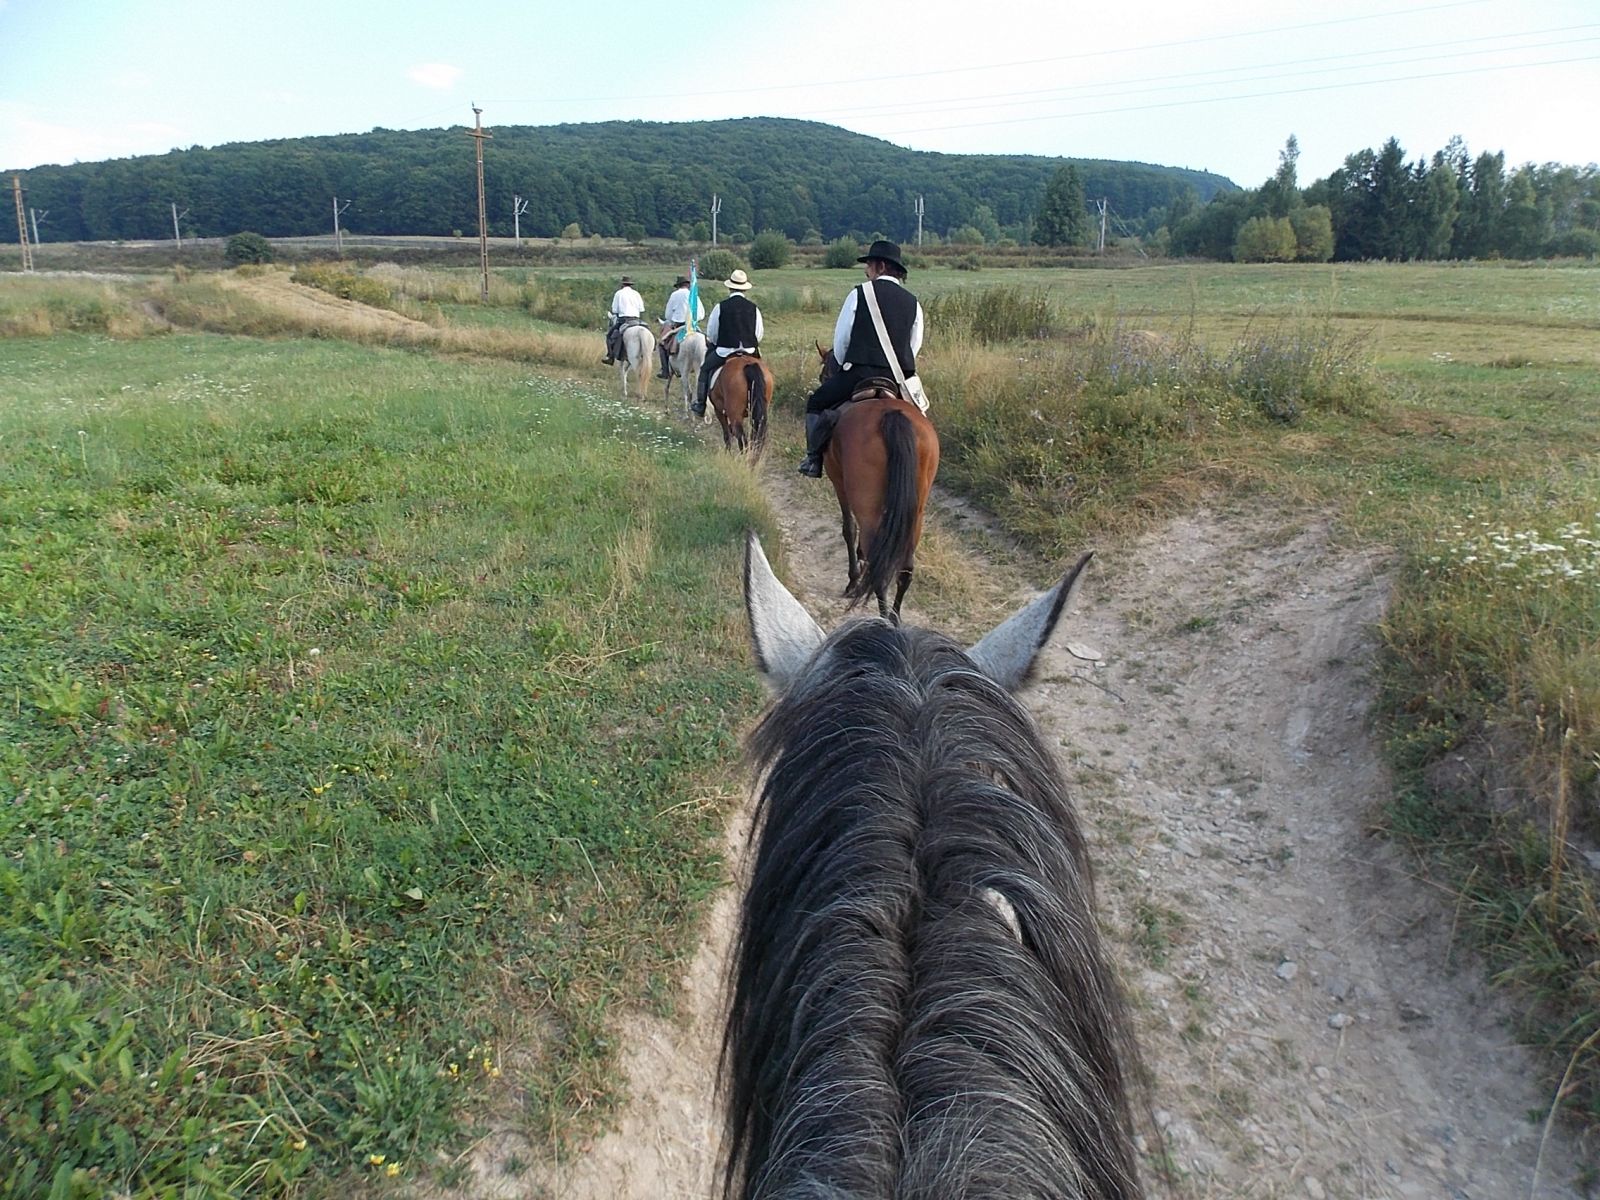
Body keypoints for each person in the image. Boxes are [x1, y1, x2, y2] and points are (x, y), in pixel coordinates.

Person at [797, 239, 924, 477]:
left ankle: (813, 459)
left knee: (815, 402)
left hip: (858, 375)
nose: (867, 271)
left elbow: (841, 341)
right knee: (921, 419)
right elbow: (913, 346)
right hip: (896, 379)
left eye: (869, 265)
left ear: (881, 267)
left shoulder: (858, 294)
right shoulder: (913, 303)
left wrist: (844, 365)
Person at [692, 269, 764, 417]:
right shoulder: (754, 308)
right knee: (762, 372)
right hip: (750, 350)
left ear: (730, 287)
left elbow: (712, 333)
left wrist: (718, 342)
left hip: (724, 350)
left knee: (705, 369)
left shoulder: (720, 307)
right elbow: (758, 334)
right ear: (744, 288)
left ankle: (700, 404)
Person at [658, 274, 706, 379]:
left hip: (679, 325)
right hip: (693, 327)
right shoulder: (693, 295)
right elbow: (701, 314)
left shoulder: (674, 295)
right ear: (687, 285)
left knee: (662, 345)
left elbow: (668, 315)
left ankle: (665, 370)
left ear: (678, 285)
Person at [601, 275, 646, 365]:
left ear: (622, 284)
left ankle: (611, 357)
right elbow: (642, 309)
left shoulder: (619, 293)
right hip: (636, 320)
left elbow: (614, 310)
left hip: (624, 320)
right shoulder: (636, 293)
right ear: (631, 285)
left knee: (609, 336)